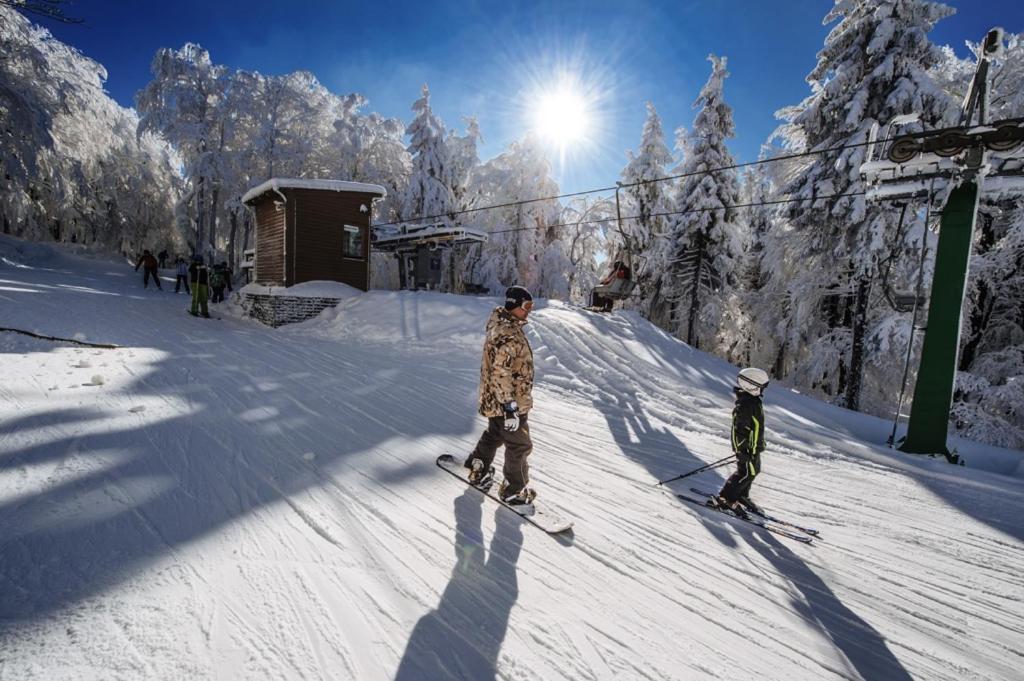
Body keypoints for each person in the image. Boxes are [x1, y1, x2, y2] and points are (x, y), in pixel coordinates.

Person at [464, 285, 537, 506]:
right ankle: (514, 491)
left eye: (531, 306)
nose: (529, 311)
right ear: (514, 305)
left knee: (495, 434)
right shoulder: (509, 334)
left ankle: (478, 467)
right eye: (526, 306)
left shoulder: (501, 326)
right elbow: (501, 372)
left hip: (495, 399)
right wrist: (510, 406)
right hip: (508, 401)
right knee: (519, 445)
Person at [707, 367, 770, 517]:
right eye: (761, 387)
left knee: (753, 471)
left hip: (753, 448)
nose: (762, 391)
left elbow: (756, 427)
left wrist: (758, 444)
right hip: (746, 449)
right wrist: (741, 450)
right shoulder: (745, 405)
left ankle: (741, 495)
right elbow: (738, 430)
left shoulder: (753, 402)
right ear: (752, 386)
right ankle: (726, 498)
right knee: (745, 473)